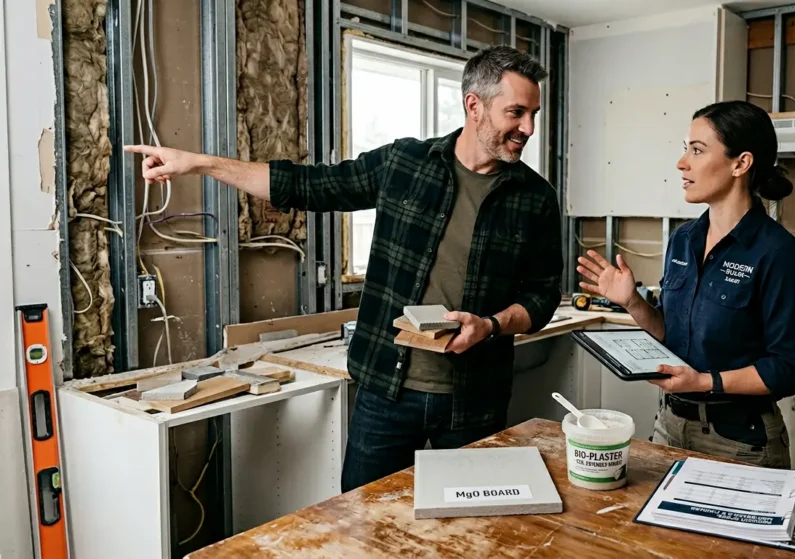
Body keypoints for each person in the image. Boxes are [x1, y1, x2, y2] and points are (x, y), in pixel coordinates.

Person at [125, 46, 563, 491]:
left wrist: (489, 325)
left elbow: (543, 296)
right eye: (516, 112)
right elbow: (307, 185)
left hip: (475, 402)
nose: (528, 128)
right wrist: (199, 164)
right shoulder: (405, 164)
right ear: (474, 105)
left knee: (470, 531)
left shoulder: (536, 199)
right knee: (364, 527)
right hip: (385, 393)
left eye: (533, 114)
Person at [576, 100, 795, 469]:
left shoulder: (779, 255)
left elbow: (791, 368)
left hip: (740, 442)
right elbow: (672, 336)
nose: (682, 163)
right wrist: (633, 303)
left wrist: (703, 381)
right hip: (669, 425)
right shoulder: (684, 240)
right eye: (685, 148)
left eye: (697, 150)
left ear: (741, 163)